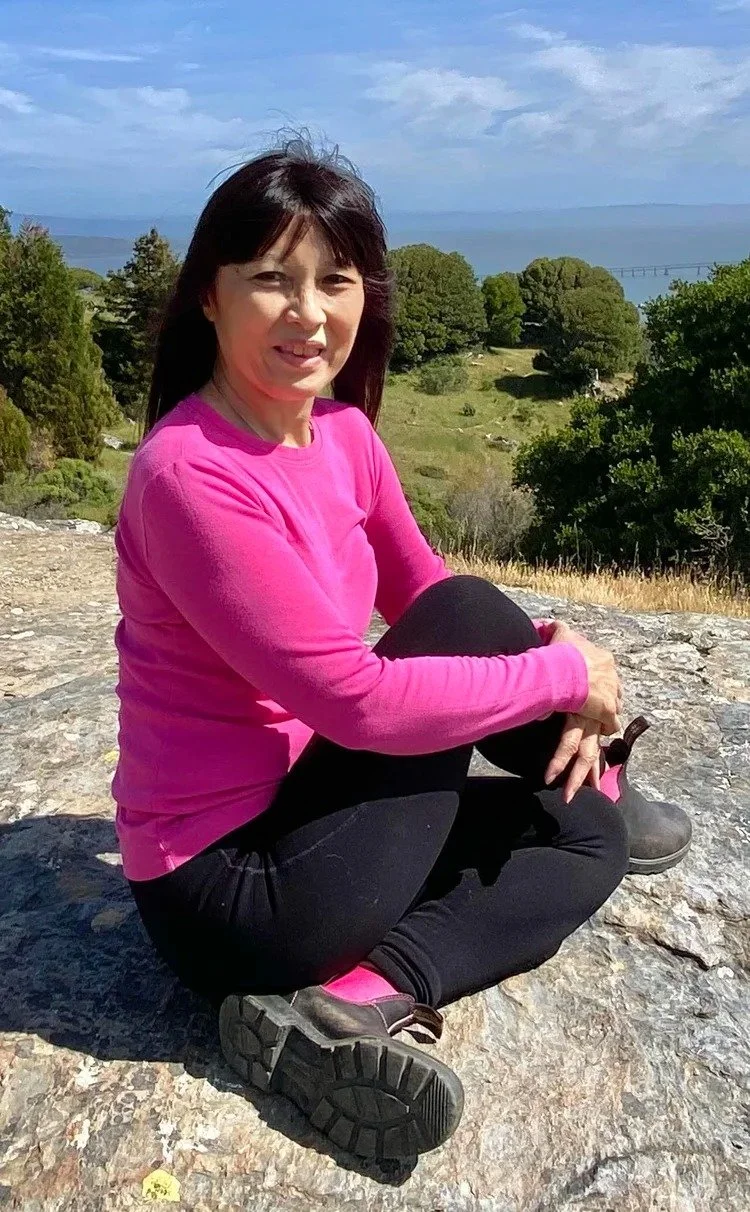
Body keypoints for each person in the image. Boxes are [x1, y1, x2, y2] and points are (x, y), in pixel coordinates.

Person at [112, 137, 692, 1165]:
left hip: (314, 822)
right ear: (211, 295)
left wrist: (552, 645)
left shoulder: (341, 436)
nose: (309, 312)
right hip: (233, 892)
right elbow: (357, 703)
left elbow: (418, 589)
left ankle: (354, 1004)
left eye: (334, 280)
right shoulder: (188, 478)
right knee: (478, 626)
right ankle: (594, 758)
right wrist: (565, 674)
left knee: (581, 843)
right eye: (271, 282)